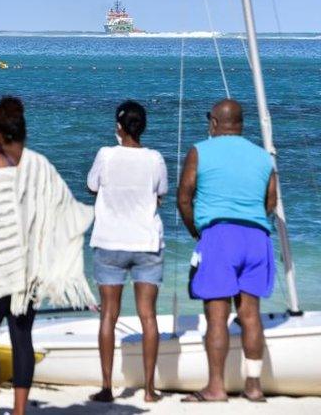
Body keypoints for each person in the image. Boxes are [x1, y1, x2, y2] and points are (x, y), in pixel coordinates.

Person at [0, 97, 95, 415]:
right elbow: (59, 213)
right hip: (28, 271)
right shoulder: (41, 167)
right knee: (22, 337)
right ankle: (20, 411)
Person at [177, 99, 277, 403]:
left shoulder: (200, 150)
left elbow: (184, 197)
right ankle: (254, 386)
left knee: (217, 317)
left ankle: (216, 387)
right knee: (250, 315)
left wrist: (197, 231)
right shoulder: (263, 157)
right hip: (257, 237)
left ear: (214, 123)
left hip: (219, 235)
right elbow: (271, 202)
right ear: (241, 123)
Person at [86, 100, 168, 403]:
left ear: (119, 127)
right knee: (148, 316)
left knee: (108, 314)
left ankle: (107, 387)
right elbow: (161, 192)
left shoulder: (106, 155)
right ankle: (148, 390)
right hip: (146, 242)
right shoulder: (155, 158)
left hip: (109, 241)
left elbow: (91, 185)